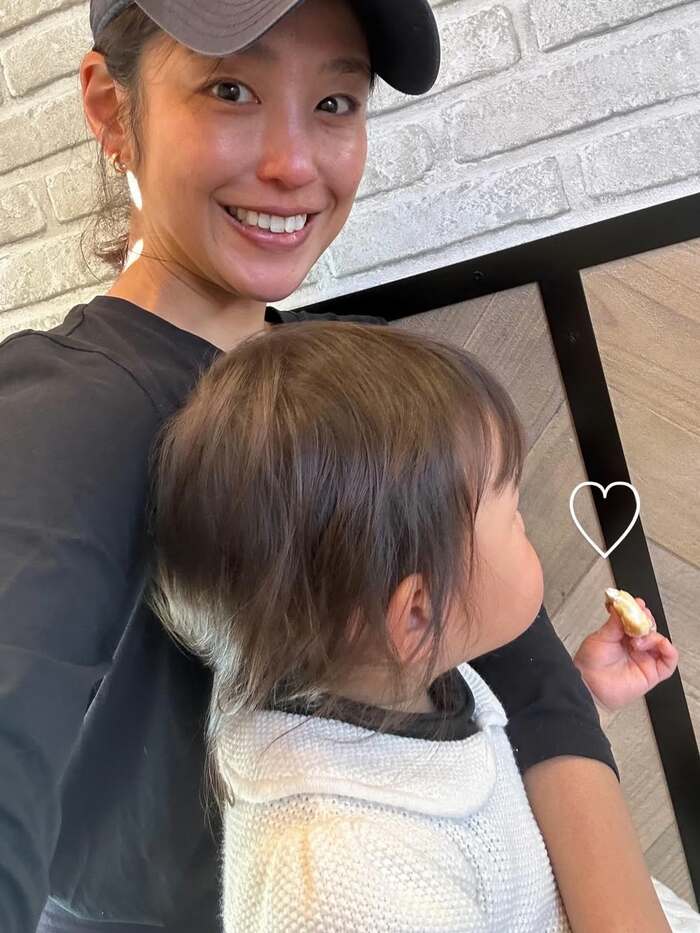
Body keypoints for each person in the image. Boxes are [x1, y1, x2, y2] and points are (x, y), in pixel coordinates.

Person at [0, 0, 682, 930]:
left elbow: (529, 682)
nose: (294, 164)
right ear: (111, 109)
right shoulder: (64, 413)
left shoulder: (341, 384)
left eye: (335, 103)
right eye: (230, 89)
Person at [147, 319, 692, 931]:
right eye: (512, 515)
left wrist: (587, 699)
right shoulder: (341, 885)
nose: (526, 528)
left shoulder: (393, 678)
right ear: (415, 613)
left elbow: (491, 801)